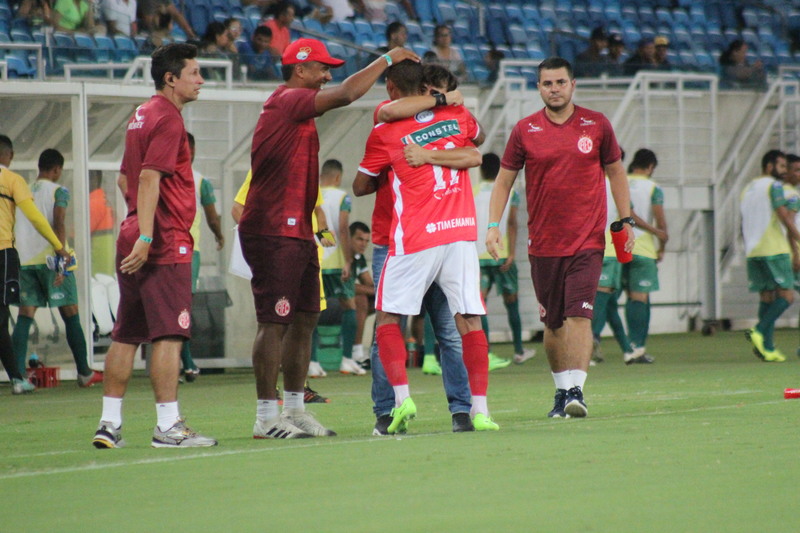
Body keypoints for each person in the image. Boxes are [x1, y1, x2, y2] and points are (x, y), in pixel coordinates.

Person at [238, 39, 417, 439]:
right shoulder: (285, 100)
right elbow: (350, 92)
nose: (328, 75)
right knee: (273, 322)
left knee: (304, 320)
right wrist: (390, 58)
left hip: (298, 230)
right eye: (323, 68)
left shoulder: (298, 112)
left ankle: (296, 409)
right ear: (300, 70)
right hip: (271, 230)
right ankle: (266, 417)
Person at [354, 59, 497, 433]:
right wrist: (447, 101)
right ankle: (469, 410)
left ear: (391, 86)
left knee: (390, 320)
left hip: (406, 237)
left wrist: (412, 160)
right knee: (458, 325)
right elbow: (476, 151)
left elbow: (360, 184)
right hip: (454, 233)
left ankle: (397, 409)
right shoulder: (456, 115)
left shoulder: (387, 128)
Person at [487, 57, 634, 419]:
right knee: (552, 324)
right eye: (547, 83)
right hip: (543, 244)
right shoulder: (524, 130)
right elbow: (504, 180)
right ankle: (560, 391)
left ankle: (577, 391)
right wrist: (493, 225)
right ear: (539, 87)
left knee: (580, 316)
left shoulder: (597, 125)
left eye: (560, 82)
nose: (554, 88)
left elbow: (616, 172)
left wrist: (625, 220)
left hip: (588, 241)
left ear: (573, 84)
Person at [91, 43, 217, 449]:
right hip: (161, 242)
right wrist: (149, 234)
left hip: (134, 233)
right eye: (194, 73)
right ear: (171, 79)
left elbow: (124, 180)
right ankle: (168, 426)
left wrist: (137, 226)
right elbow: (146, 178)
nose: (200, 80)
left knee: (126, 333)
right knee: (169, 334)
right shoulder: (168, 119)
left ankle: (109, 423)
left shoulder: (139, 115)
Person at [231, 170, 333, 404]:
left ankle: (298, 392)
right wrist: (263, 239)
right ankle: (268, 399)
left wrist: (324, 233)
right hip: (279, 255)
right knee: (277, 322)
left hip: (309, 255)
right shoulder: (267, 164)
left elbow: (317, 209)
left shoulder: (307, 167)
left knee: (306, 321)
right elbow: (238, 208)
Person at [12, 148, 104, 388]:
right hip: (52, 259)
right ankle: (84, 373)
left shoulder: (22, 191)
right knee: (70, 312)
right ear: (56, 170)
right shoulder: (59, 191)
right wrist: (61, 257)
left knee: (25, 314)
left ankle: (18, 376)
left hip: (24, 260)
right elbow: (59, 221)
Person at [0, 135, 71, 395]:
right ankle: (18, 379)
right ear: (8, 155)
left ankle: (17, 377)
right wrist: (59, 246)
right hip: (4, 252)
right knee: (2, 317)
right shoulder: (13, 181)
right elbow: (37, 218)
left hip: (18, 257)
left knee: (13, 316)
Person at [474, 152, 535, 366]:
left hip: (479, 256)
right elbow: (511, 223)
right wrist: (511, 254)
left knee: (480, 305)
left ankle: (485, 352)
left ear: (481, 171)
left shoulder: (473, 192)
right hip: (502, 256)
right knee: (512, 303)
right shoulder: (510, 193)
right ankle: (518, 350)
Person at [741, 149, 800, 362]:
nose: (784, 172)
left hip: (753, 250)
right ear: (769, 166)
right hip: (774, 248)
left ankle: (767, 347)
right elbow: (785, 218)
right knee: (787, 296)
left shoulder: (748, 188)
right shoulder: (774, 187)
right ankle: (758, 330)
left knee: (766, 297)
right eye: (782, 166)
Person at [177, 132, 224, 383]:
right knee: (182, 306)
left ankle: (184, 361)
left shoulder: (162, 178)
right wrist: (219, 235)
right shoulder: (199, 181)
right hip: (186, 251)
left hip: (164, 248)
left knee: (173, 307)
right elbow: (212, 216)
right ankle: (186, 361)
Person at [318, 158, 365, 375]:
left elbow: (317, 226)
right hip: (336, 262)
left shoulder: (312, 195)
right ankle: (346, 359)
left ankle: (312, 363)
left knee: (311, 311)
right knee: (349, 305)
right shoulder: (341, 197)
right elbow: (344, 228)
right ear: (338, 177)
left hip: (316, 260)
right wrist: (347, 260)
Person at [622, 148, 667, 363]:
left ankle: (601, 344)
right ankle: (637, 347)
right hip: (643, 247)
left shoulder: (618, 180)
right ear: (650, 167)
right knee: (640, 296)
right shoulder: (653, 188)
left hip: (618, 245)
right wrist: (662, 245)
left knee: (620, 297)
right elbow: (660, 220)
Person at [348, 221, 375, 367]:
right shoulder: (341, 254)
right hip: (329, 302)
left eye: (366, 241)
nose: (363, 244)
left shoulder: (360, 258)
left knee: (381, 303)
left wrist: (378, 292)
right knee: (361, 299)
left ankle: (375, 351)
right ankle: (356, 352)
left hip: (347, 302)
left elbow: (369, 283)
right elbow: (345, 285)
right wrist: (374, 291)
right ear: (349, 238)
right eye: (359, 239)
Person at [89, 170, 115, 276]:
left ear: (95, 180)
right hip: (105, 264)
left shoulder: (93, 202)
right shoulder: (102, 198)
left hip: (96, 265)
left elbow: (77, 237)